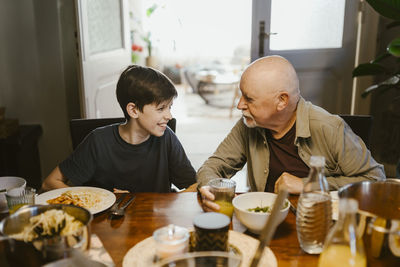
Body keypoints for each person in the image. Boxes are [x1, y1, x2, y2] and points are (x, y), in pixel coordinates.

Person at [197, 55, 385, 212]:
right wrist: (206, 186)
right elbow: (214, 166)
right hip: (264, 222)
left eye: (249, 98)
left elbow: (376, 182)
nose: (239, 105)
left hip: (316, 223)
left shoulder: (330, 128)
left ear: (282, 101)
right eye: (241, 95)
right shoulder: (248, 125)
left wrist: (308, 185)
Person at [42, 65, 196, 193]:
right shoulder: (98, 141)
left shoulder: (166, 138)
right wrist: (102, 197)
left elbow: (195, 185)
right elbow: (49, 183)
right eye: (161, 108)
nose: (169, 116)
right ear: (133, 110)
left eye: (170, 107)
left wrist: (167, 203)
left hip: (156, 225)